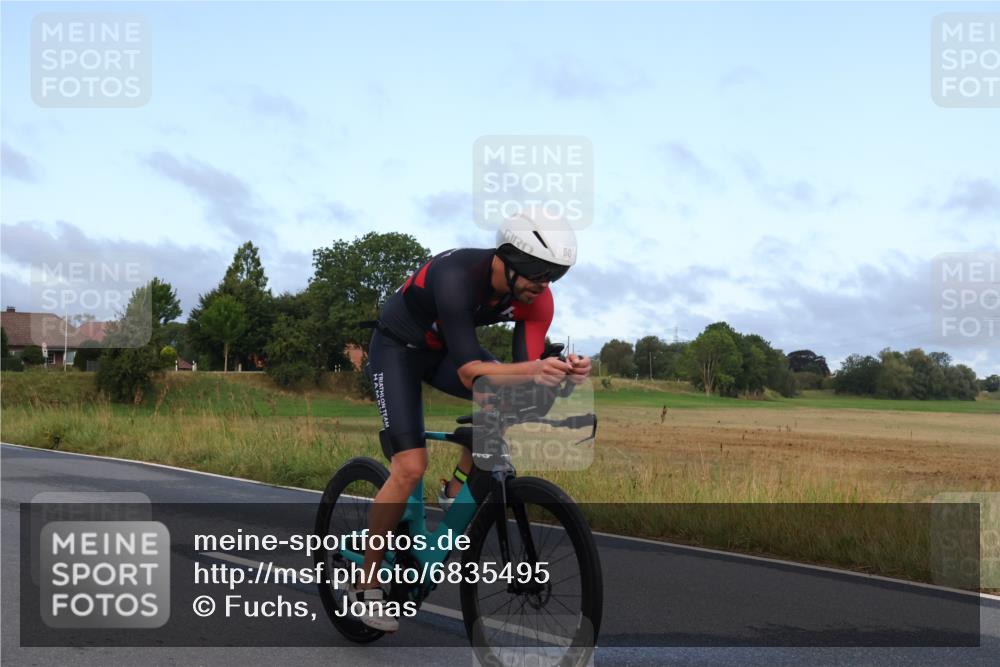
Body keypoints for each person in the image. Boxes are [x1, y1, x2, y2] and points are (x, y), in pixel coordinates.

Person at [347, 213, 591, 631]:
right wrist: (535, 369)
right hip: (397, 350)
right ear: (508, 259)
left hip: (442, 351)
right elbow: (468, 373)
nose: (543, 285)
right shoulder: (457, 276)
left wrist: (563, 373)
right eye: (536, 273)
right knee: (410, 468)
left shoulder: (537, 299)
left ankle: (457, 485)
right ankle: (365, 584)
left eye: (553, 276)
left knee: (509, 395)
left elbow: (525, 370)